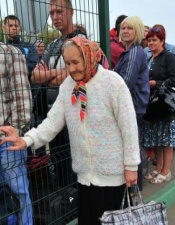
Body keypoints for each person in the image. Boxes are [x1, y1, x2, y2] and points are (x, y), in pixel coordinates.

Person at [0, 37, 140, 225]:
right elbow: (51, 122)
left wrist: (131, 166)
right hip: (84, 178)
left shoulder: (113, 83)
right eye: (67, 63)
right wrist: (26, 140)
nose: (71, 68)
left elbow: (129, 127)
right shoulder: (68, 87)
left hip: (113, 178)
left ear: (89, 57)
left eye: (76, 62)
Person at [31, 0, 86, 187]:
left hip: (75, 116)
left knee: (75, 167)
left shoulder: (80, 42)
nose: (55, 17)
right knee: (58, 166)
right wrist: (56, 74)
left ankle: (76, 205)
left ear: (70, 12)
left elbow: (75, 76)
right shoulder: (53, 45)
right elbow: (34, 76)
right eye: (52, 13)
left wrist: (48, 75)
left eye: (59, 12)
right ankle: (64, 206)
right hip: (53, 116)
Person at [143, 26, 175, 184]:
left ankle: (166, 171)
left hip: (166, 103)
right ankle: (158, 168)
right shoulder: (150, 58)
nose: (151, 43)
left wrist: (155, 83)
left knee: (167, 139)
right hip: (153, 104)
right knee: (157, 138)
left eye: (154, 40)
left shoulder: (170, 57)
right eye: (149, 40)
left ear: (162, 41)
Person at [114, 16, 150, 191]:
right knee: (132, 148)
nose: (125, 31)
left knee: (131, 150)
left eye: (130, 28)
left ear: (137, 32)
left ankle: (134, 192)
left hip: (132, 107)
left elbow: (125, 82)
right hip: (133, 106)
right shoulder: (129, 51)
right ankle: (134, 191)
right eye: (123, 28)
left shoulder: (135, 51)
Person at [0, 43, 32, 224]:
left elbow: (22, 99)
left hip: (7, 140)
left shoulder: (10, 53)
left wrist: (16, 134)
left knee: (18, 192)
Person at [3, 15, 39, 79]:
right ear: (4, 28)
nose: (13, 28)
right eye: (10, 26)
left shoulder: (30, 47)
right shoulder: (2, 49)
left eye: (16, 26)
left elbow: (33, 65)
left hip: (28, 85)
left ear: (20, 28)